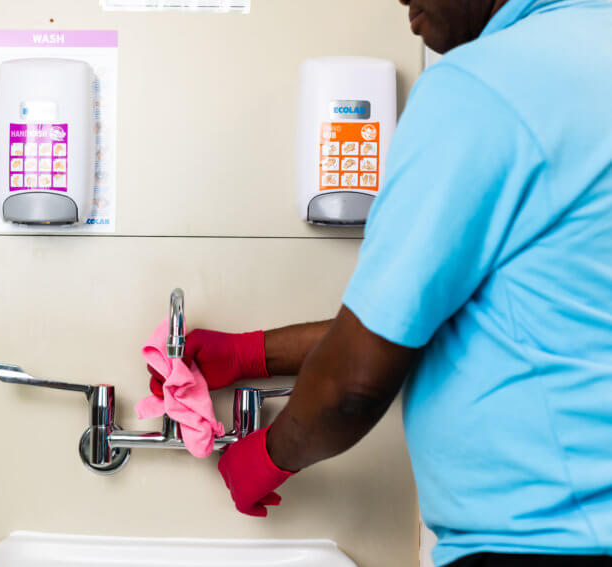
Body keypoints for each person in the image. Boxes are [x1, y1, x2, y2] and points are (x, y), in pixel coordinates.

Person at [148, 1, 612, 565]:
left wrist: (264, 457)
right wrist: (250, 355)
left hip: (548, 545)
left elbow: (354, 383)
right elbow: (480, 316)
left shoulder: (483, 85)